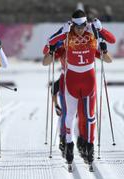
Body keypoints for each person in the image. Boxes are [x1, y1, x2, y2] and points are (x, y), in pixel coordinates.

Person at [43, 9, 115, 166]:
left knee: (89, 116)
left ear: (86, 23)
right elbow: (47, 47)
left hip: (89, 81)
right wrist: (62, 33)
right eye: (77, 26)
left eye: (83, 25)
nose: (80, 29)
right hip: (71, 82)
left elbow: (112, 41)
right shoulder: (67, 34)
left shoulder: (91, 32)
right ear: (72, 24)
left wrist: (101, 29)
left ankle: (89, 145)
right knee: (69, 115)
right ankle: (69, 145)